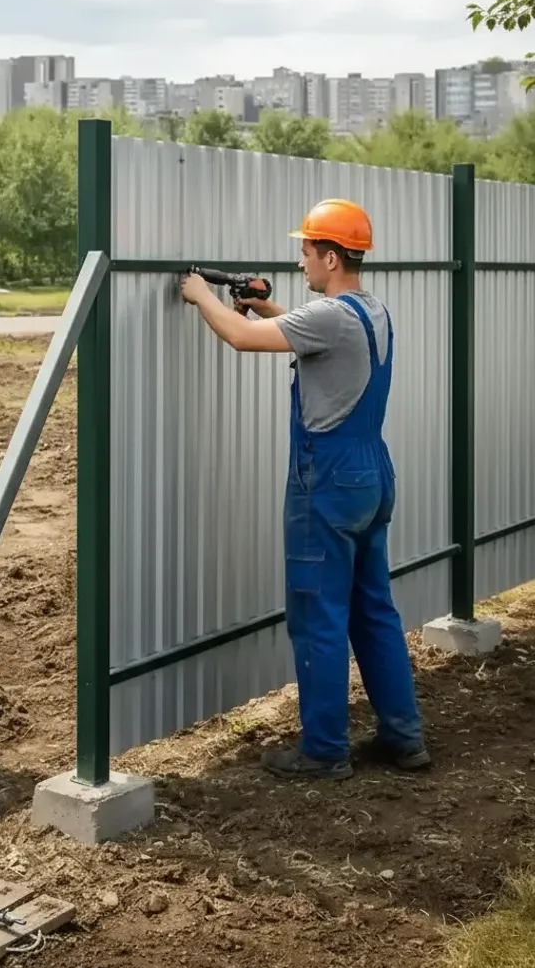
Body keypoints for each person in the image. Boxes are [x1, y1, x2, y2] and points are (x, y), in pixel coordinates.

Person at [179, 198, 429, 781]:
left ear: (333, 256)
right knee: (375, 612)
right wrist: (270, 306)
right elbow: (321, 335)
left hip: (329, 482)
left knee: (318, 614)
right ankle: (403, 737)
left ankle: (323, 751)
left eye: (308, 249)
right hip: (372, 473)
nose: (301, 259)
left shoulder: (330, 316)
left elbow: (241, 338)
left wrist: (201, 295)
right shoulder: (370, 311)